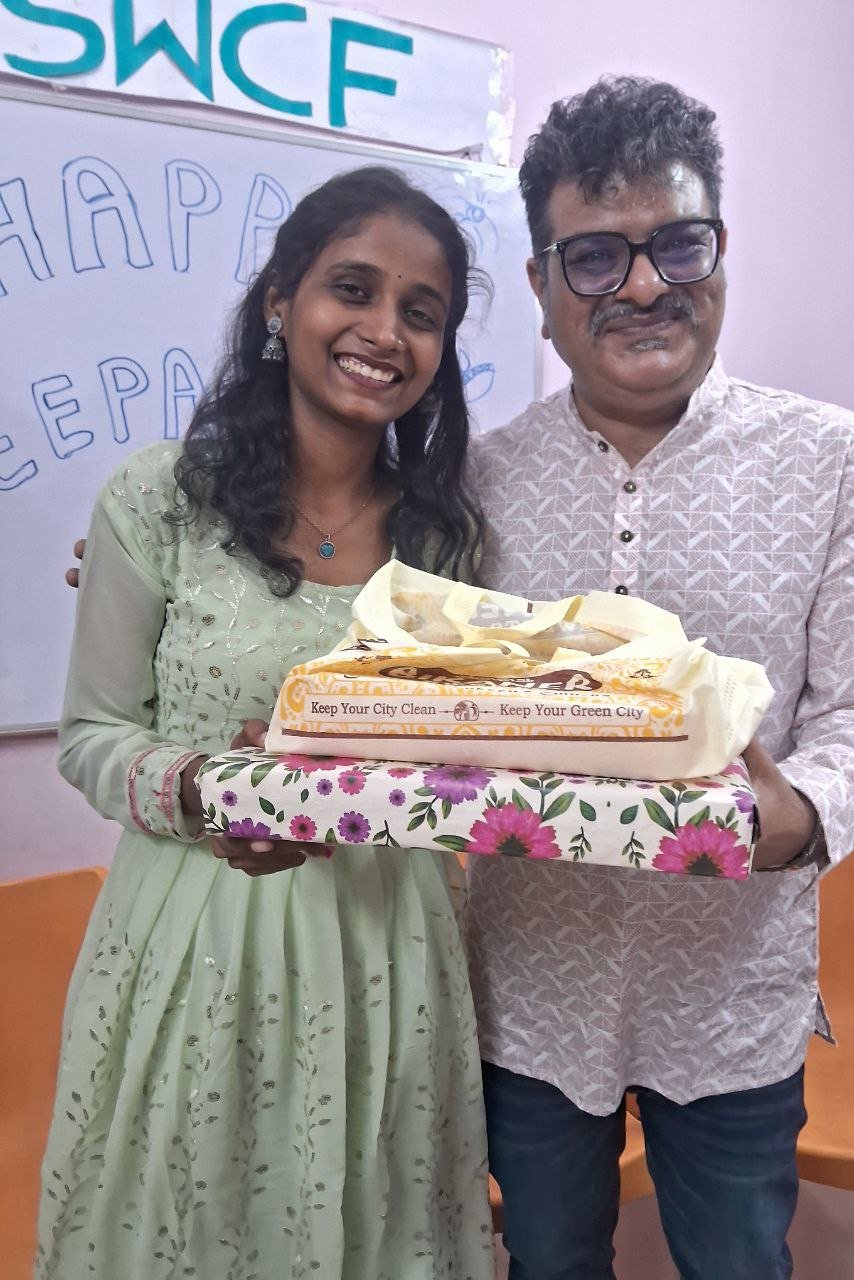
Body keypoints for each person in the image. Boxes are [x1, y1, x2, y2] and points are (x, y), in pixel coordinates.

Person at [464, 78, 854, 1280]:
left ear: (720, 250)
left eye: (677, 243)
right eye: (594, 257)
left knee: (737, 1263)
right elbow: (388, 644)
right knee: (547, 1264)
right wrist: (170, 561)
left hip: (731, 989)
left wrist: (805, 809)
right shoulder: (474, 481)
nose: (641, 285)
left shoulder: (832, 460)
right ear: (540, 288)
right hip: (529, 988)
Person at [39, 166, 495, 1280]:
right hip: (194, 942)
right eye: (353, 289)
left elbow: (468, 755)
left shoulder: (448, 542)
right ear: (282, 301)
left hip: (388, 947)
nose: (384, 332)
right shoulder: (160, 501)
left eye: (421, 312)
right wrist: (213, 790)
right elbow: (91, 735)